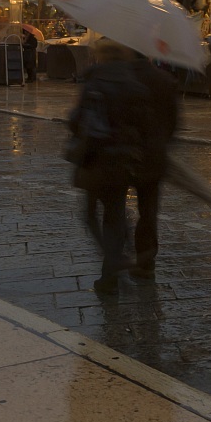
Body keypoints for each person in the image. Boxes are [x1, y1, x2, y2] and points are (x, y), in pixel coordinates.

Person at [66, 39, 151, 296]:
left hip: (94, 158)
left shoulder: (94, 83)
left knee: (91, 214)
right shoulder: (135, 85)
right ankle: (110, 274)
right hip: (121, 161)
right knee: (114, 214)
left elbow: (77, 121)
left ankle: (113, 262)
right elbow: (144, 125)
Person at [126, 56, 179, 280]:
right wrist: (161, 142)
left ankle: (114, 258)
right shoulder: (164, 80)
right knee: (148, 211)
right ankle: (146, 261)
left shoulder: (121, 78)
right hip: (153, 154)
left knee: (113, 208)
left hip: (123, 152)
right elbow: (174, 122)